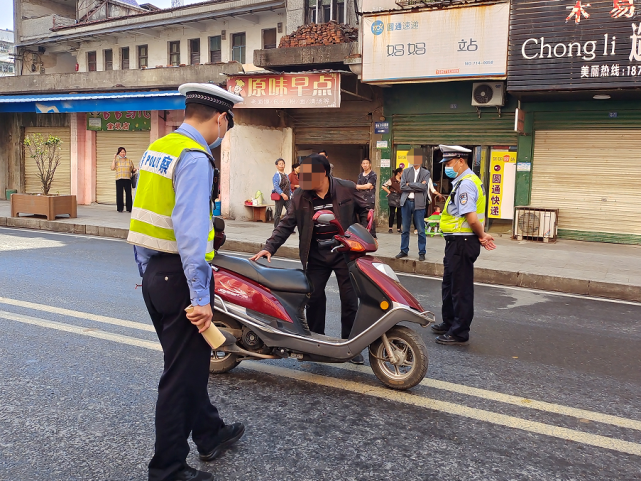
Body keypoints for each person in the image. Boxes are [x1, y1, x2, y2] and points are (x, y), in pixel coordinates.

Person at [128, 83, 245, 481]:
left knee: (187, 367)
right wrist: (200, 297)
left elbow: (141, 216)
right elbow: (193, 234)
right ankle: (167, 469)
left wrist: (146, 274)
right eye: (228, 123)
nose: (225, 130)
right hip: (180, 277)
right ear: (220, 118)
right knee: (180, 378)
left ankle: (209, 433)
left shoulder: (157, 150)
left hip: (156, 276)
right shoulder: (195, 157)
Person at [249, 154, 370, 364]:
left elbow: (365, 209)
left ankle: (351, 346)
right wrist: (269, 247)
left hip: (344, 252)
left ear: (322, 173)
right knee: (314, 298)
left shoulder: (345, 187)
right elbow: (286, 224)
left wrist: (367, 233)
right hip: (316, 253)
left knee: (349, 300)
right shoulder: (300, 196)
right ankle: (316, 345)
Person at [430, 145, 496, 346]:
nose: (447, 168)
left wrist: (482, 235)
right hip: (456, 241)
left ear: (461, 161)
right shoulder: (462, 182)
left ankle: (459, 331)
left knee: (460, 288)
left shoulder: (466, 184)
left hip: (463, 241)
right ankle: (450, 322)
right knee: (449, 285)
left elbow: (472, 217)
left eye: (449, 163)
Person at [396, 149, 431, 262]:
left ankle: (422, 252)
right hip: (406, 202)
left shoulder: (426, 173)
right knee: (405, 228)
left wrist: (410, 184)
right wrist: (418, 185)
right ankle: (404, 250)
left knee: (421, 229)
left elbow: (424, 188)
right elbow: (402, 187)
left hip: (419, 203)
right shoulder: (406, 171)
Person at [111, 147, 137, 213]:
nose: (123, 153)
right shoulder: (117, 161)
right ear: (118, 153)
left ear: (125, 152)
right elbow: (112, 168)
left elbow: (132, 170)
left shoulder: (129, 160)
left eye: (124, 152)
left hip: (127, 179)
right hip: (119, 179)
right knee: (119, 194)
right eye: (121, 152)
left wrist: (136, 169)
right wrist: (114, 158)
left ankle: (129, 208)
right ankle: (120, 208)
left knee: (128, 194)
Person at [356, 158, 377, 237]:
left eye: (367, 163)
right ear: (361, 165)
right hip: (360, 199)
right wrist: (364, 186)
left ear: (370, 164)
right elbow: (358, 187)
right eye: (363, 163)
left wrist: (363, 186)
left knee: (369, 216)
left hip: (369, 199)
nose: (365, 165)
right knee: (362, 217)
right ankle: (364, 234)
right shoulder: (360, 175)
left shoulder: (373, 174)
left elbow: (368, 186)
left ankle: (372, 234)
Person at [382, 167, 403, 233]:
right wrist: (389, 192)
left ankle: (399, 228)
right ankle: (390, 228)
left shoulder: (403, 180)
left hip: (400, 196)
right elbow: (383, 186)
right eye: (402, 172)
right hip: (393, 196)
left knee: (400, 213)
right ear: (398, 173)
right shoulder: (392, 180)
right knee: (392, 213)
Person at [272, 158, 291, 228]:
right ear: (276, 166)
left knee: (291, 212)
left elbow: (288, 186)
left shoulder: (286, 175)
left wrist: (290, 194)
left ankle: (289, 227)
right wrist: (282, 194)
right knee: (278, 213)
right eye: (280, 164)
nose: (281, 165)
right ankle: (276, 228)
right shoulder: (276, 175)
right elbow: (276, 186)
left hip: (287, 196)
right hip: (280, 196)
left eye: (283, 164)